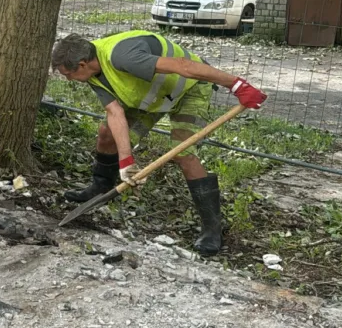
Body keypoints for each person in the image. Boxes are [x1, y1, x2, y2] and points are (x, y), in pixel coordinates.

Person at [50, 30, 267, 255]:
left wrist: (238, 86)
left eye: (68, 74)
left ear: (82, 64)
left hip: (188, 90)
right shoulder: (93, 73)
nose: (68, 79)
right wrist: (126, 161)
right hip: (151, 99)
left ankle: (212, 229)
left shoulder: (122, 56)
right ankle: (101, 188)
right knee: (107, 134)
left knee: (183, 153)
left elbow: (183, 66)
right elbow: (114, 112)